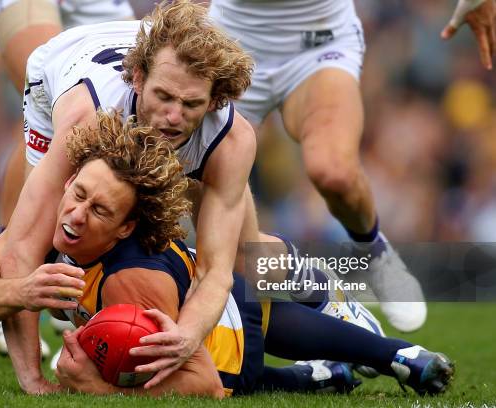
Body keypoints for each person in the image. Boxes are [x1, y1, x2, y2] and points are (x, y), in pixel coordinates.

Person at [0, 111, 454, 397]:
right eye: (77, 193)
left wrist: (93, 389)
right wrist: (19, 290)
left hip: (224, 346)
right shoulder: (50, 225)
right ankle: (380, 357)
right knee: (254, 291)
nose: (75, 215)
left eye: (98, 211)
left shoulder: (131, 282)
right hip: (224, 294)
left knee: (240, 334)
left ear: (126, 227)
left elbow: (204, 387)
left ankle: (344, 320)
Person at [0, 0, 259, 394]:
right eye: (165, 97)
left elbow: (214, 272)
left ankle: (355, 290)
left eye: (190, 105)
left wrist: (185, 337)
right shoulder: (84, 119)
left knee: (254, 255)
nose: (173, 116)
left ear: (214, 101)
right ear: (138, 79)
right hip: (69, 65)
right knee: (41, 239)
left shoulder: (232, 136)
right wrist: (32, 378)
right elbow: (20, 251)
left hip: (301, 50)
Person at [208, 0, 496, 333]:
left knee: (333, 172)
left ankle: (375, 251)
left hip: (318, 44)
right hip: (230, 44)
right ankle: (330, 302)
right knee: (223, 216)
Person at [0, 0, 135, 355]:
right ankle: (19, 277)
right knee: (56, 117)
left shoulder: (228, 133)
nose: (175, 113)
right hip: (245, 29)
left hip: (282, 47)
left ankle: (286, 302)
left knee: (243, 241)